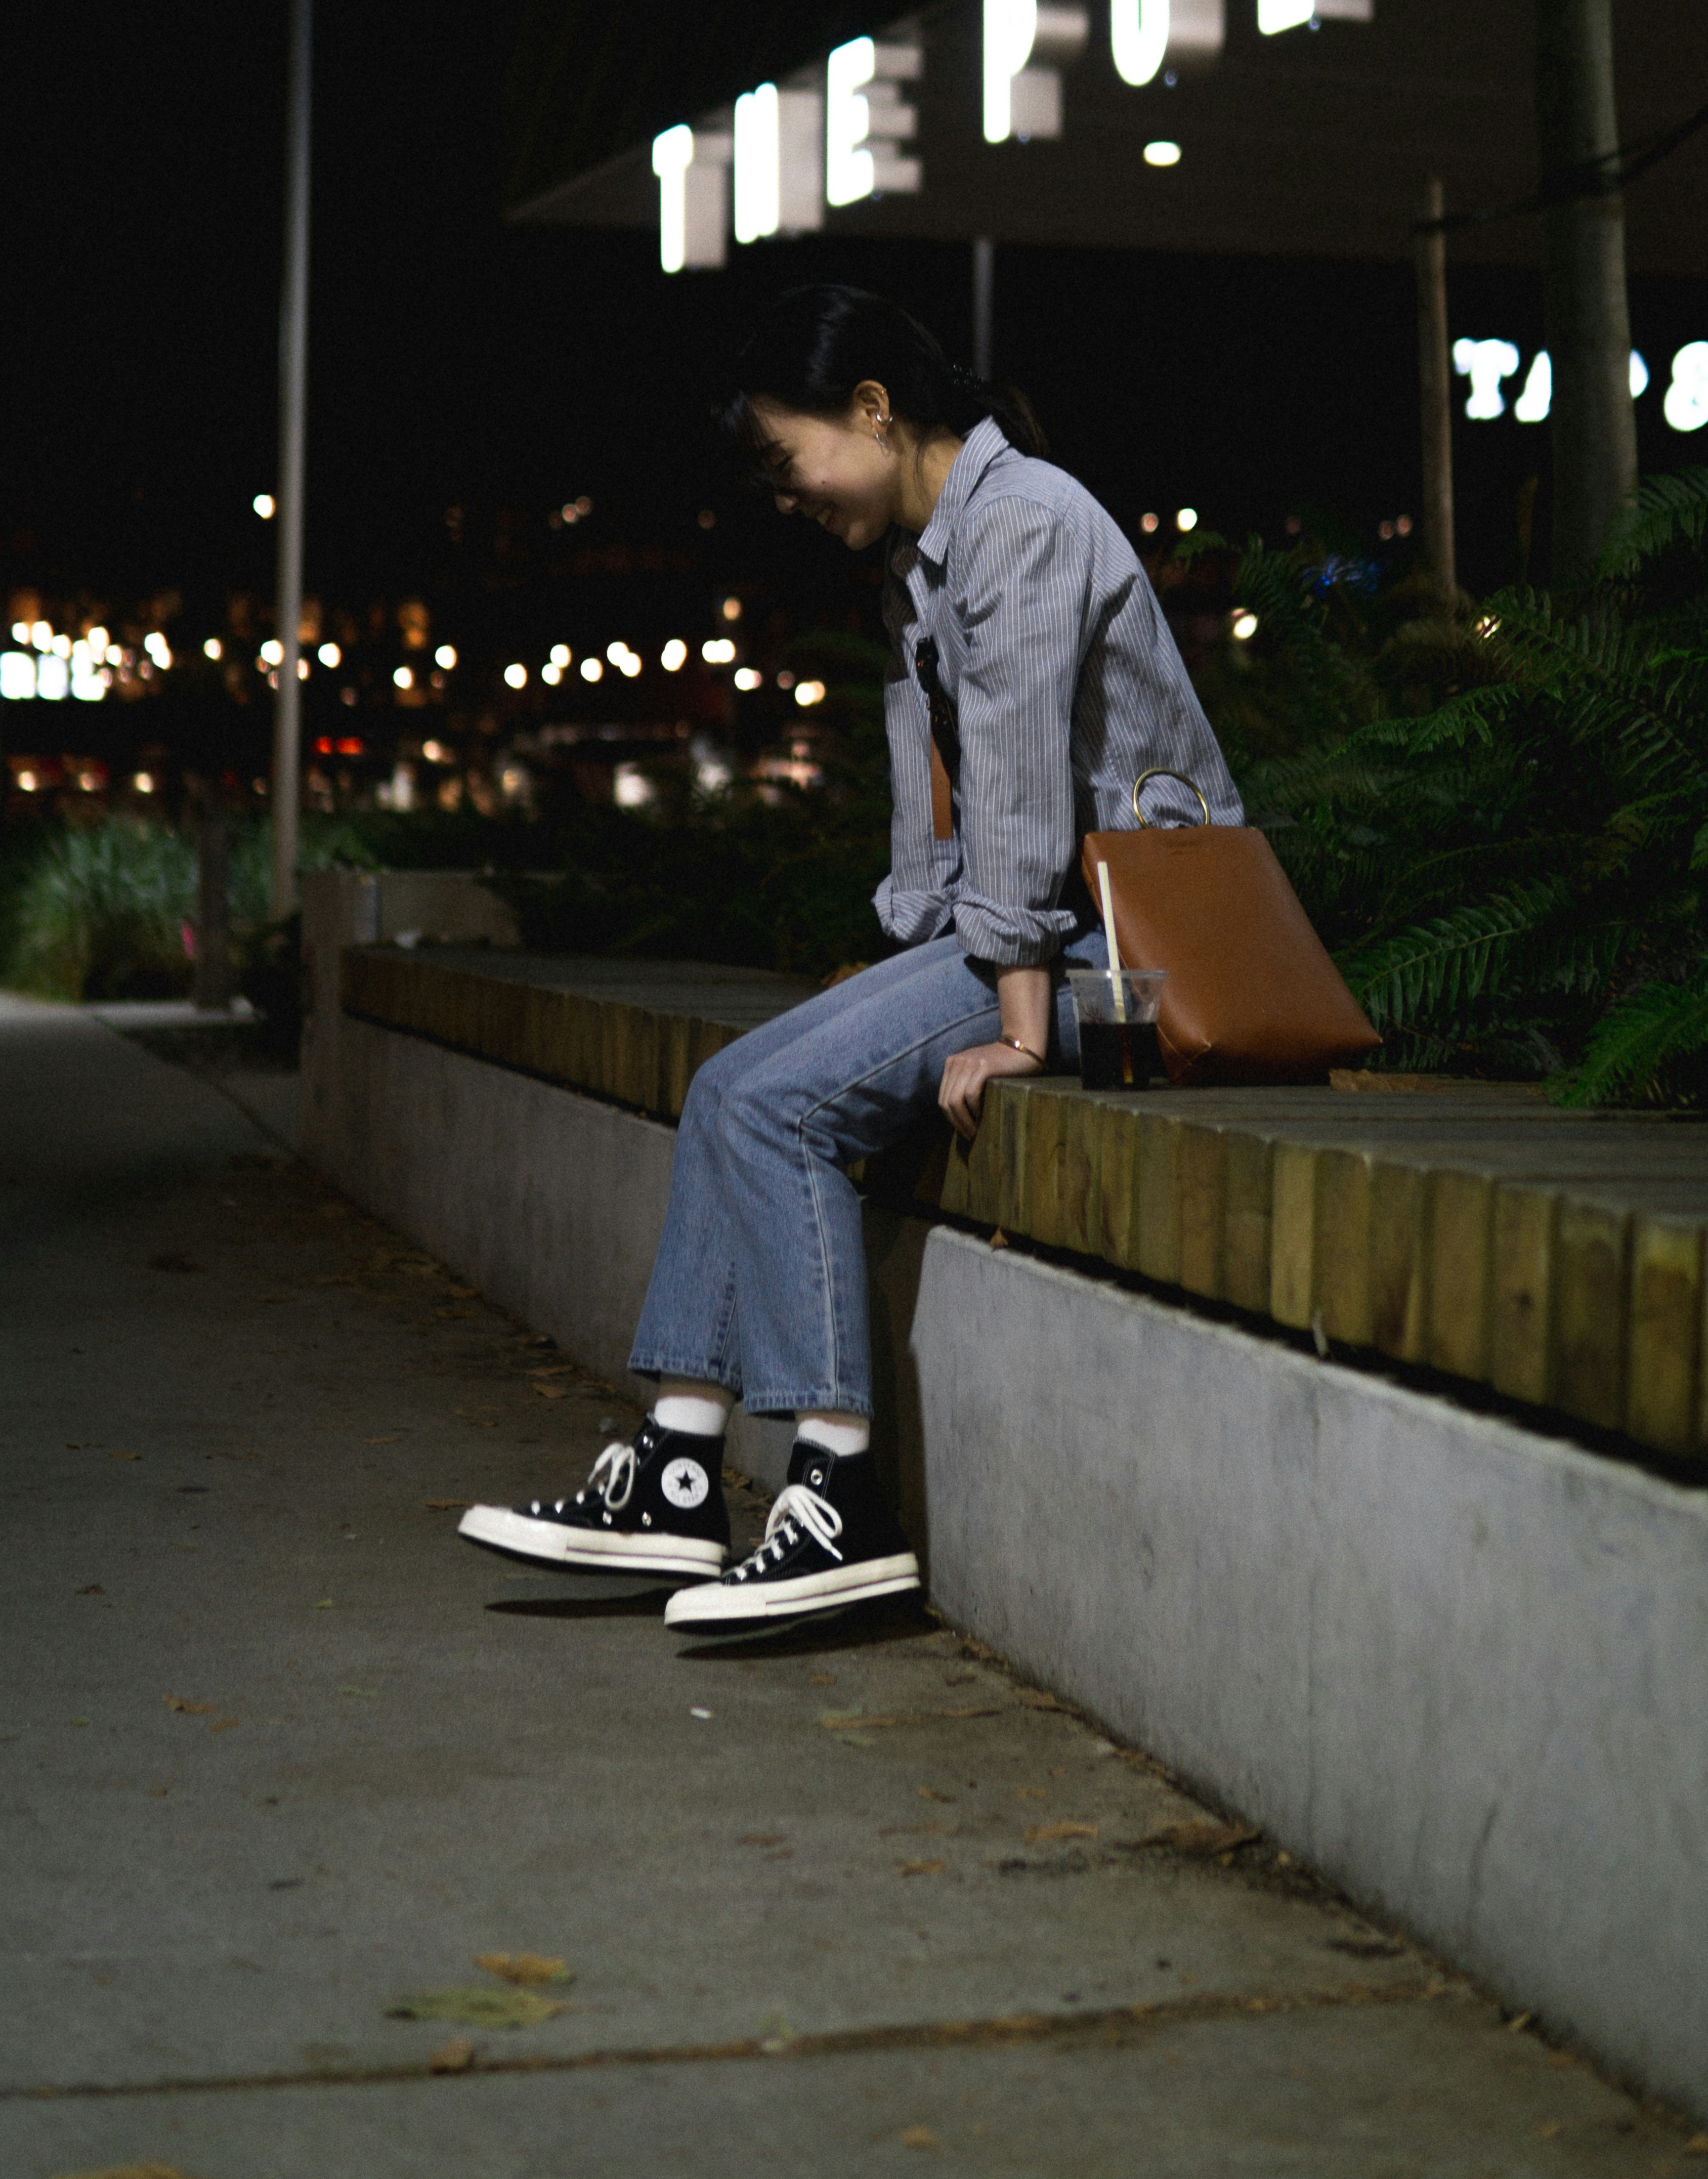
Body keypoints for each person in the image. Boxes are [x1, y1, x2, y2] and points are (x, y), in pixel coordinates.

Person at [458, 285, 1241, 1628]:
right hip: (1031, 924)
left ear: (872, 411)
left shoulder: (1027, 524)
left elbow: (1018, 800)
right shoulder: (924, 562)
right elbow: (930, 799)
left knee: (766, 1108)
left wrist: (1018, 1027)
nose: (785, 496)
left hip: (1121, 945)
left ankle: (840, 1498)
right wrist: (891, 967)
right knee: (732, 1085)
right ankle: (681, 1474)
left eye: (787, 460)